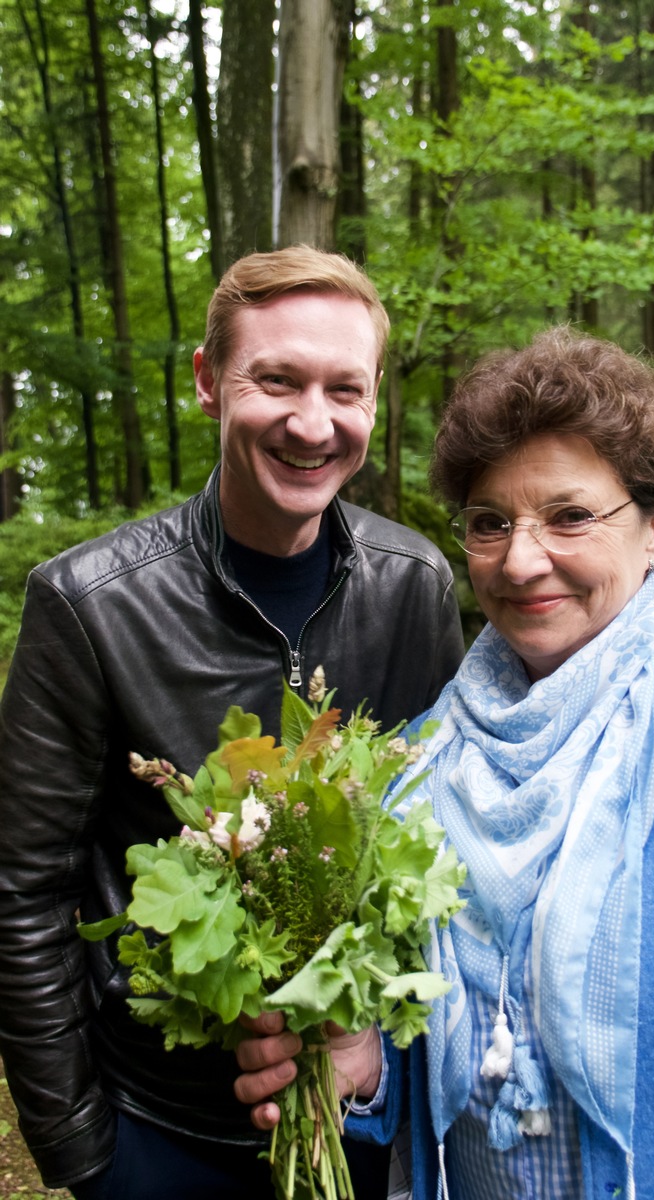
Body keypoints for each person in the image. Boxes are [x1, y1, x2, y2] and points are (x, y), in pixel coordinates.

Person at [234, 325, 654, 1199]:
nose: (522, 560)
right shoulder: (419, 759)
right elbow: (422, 1063)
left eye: (570, 516)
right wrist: (365, 1063)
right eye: (490, 523)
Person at [0, 245, 465, 1200]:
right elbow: (21, 894)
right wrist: (89, 1156)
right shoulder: (90, 606)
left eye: (347, 389)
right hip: (163, 1136)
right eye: (277, 380)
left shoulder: (415, 586)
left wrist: (391, 1073)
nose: (312, 422)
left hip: (366, 1128)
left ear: (376, 401)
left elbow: (441, 836)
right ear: (211, 383)